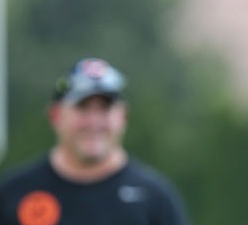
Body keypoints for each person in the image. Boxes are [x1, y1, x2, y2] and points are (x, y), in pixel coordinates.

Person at [0, 57, 190, 225]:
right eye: (83, 107)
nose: (94, 121)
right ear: (56, 115)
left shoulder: (154, 199)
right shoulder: (14, 193)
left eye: (105, 108)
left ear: (123, 117)